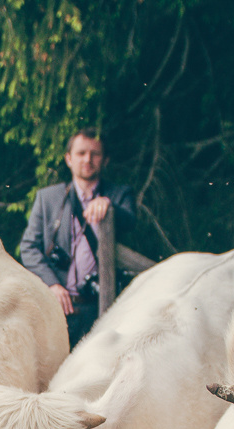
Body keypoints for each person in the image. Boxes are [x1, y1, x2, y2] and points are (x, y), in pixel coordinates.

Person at [16, 130, 158, 345]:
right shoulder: (49, 198)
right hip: (58, 307)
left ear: (105, 159)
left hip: (103, 307)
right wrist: (52, 284)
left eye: (95, 154)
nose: (88, 159)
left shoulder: (119, 194)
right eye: (81, 153)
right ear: (68, 158)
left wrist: (109, 207)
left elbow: (129, 220)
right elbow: (29, 247)